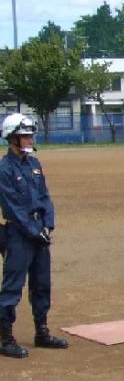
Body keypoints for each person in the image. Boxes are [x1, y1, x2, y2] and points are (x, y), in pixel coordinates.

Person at [0, 114, 68, 358]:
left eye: (30, 135)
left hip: (39, 233)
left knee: (41, 284)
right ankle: (6, 337)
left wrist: (48, 224)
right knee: (12, 287)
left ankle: (42, 331)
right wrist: (33, 230)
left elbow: (45, 197)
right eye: (25, 135)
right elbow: (13, 207)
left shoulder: (34, 164)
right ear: (12, 138)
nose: (29, 139)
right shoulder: (4, 169)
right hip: (18, 235)